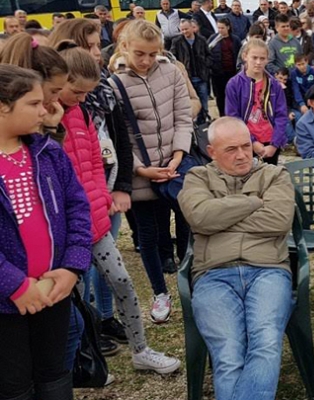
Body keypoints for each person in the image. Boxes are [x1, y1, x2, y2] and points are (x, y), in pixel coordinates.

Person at [58, 48, 181, 375]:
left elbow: (98, 161)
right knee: (77, 298)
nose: (83, 97)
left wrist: (104, 195)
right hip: (68, 230)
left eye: (87, 92)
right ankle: (81, 364)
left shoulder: (84, 112)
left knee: (123, 282)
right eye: (78, 91)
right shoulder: (49, 119)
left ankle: (141, 350)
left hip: (95, 221)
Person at [178, 117, 295, 400]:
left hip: (268, 270)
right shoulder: (197, 177)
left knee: (266, 341)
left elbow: (279, 220)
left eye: (246, 146)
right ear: (211, 151)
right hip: (213, 274)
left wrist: (221, 218)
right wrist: (254, 202)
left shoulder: (274, 175)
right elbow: (200, 217)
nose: (242, 155)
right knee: (229, 352)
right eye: (231, 149)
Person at [0, 65, 93, 400]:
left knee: (54, 374)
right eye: (34, 103)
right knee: (14, 383)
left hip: (54, 290)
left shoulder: (47, 152)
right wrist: (16, 285)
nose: (45, 110)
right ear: (3, 106)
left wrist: (72, 267)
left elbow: (78, 209)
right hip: (7, 302)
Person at [109, 20, 193, 323]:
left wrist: (177, 156)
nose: (146, 61)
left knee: (187, 218)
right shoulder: (115, 84)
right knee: (148, 232)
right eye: (139, 54)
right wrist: (142, 169)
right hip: (140, 170)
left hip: (174, 162)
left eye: (152, 54)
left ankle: (190, 277)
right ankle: (160, 292)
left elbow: (184, 117)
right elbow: (119, 134)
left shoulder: (170, 71)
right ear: (125, 48)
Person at [225, 39, 289, 165]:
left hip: (270, 142)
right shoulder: (234, 84)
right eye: (254, 58)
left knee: (269, 179)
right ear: (245, 56)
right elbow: (233, 117)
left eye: (262, 58)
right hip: (245, 141)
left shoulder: (274, 84)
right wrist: (252, 141)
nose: (258, 62)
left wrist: (275, 144)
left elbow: (281, 115)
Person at [171, 19, 211, 125]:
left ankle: (203, 122)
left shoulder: (201, 40)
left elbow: (208, 55)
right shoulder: (177, 42)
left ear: (192, 28)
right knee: (191, 103)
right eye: (182, 29)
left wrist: (206, 66)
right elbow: (173, 58)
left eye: (186, 29)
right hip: (187, 79)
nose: (184, 32)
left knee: (204, 102)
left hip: (201, 77)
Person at [209, 17, 243, 118]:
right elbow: (207, 52)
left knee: (234, 95)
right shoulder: (213, 39)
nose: (220, 30)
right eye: (218, 28)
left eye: (222, 28)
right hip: (218, 73)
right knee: (220, 96)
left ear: (228, 27)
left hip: (232, 72)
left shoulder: (235, 39)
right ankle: (223, 115)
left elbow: (239, 54)